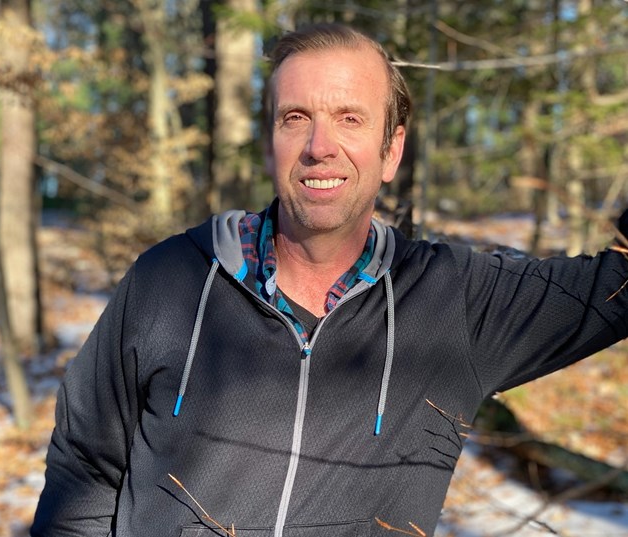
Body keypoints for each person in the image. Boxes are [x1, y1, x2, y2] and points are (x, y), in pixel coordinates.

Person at [32, 23, 628, 537]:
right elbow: (85, 467)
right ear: (270, 144)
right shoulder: (171, 280)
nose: (320, 146)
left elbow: (619, 284)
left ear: (391, 151)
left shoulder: (456, 302)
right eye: (296, 118)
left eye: (349, 118)